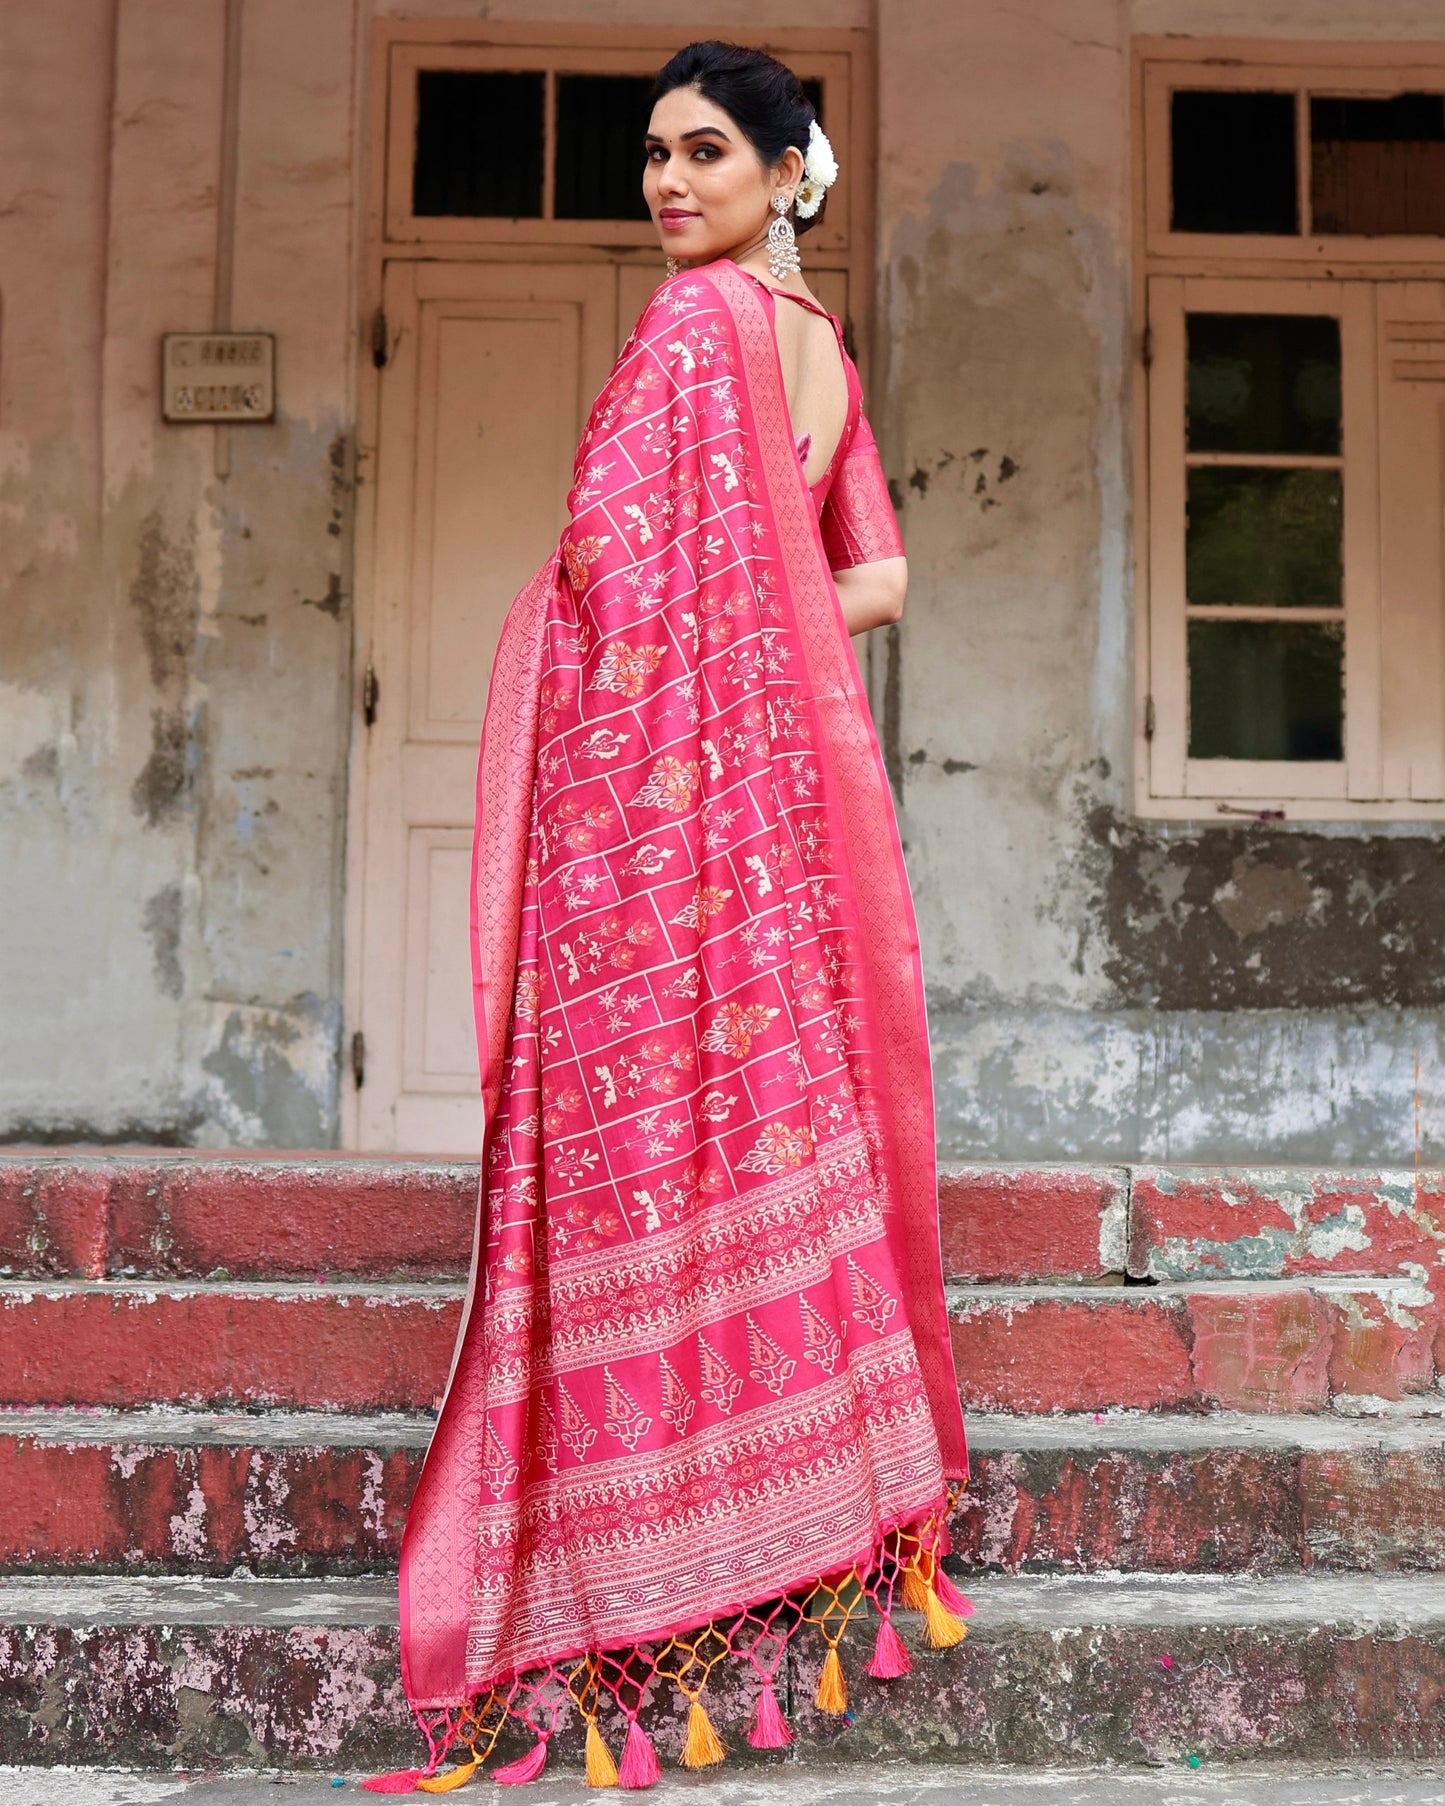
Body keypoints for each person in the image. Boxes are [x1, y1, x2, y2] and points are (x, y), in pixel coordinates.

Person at [367, 40, 969, 1795]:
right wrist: (753, 630)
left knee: (634, 1147)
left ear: (792, 169)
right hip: (760, 816)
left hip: (647, 819)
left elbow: (607, 573)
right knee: (751, 1123)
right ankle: (790, 1501)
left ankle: (643, 1555)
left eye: (705, 152)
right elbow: (875, 574)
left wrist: (669, 635)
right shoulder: (818, 355)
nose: (666, 182)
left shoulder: (691, 333)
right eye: (651, 155)